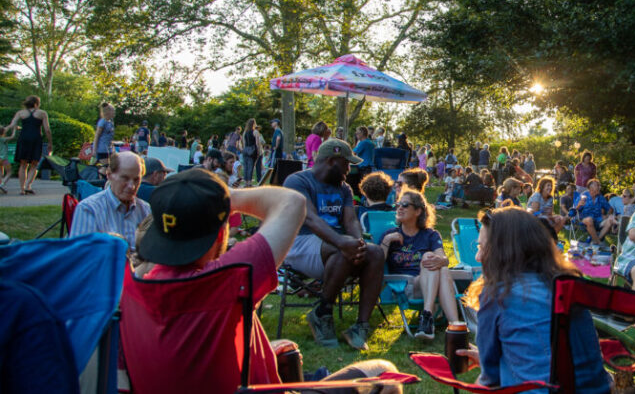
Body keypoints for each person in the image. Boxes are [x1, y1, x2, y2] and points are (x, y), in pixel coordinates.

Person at [126, 168, 402, 393]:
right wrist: (223, 195)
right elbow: (291, 203)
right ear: (221, 234)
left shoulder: (130, 291)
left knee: (281, 347)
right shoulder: (227, 279)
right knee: (385, 373)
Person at [455, 207, 610, 393]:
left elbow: (491, 378)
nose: (477, 256)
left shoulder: (498, 294)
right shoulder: (568, 286)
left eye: (482, 247)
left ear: (504, 251)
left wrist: (490, 363)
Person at [282, 139, 384, 350]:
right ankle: (323, 312)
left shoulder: (344, 188)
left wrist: (359, 243)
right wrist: (343, 242)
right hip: (300, 242)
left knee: (375, 253)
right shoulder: (297, 181)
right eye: (346, 163)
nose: (349, 169)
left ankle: (361, 326)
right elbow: (309, 218)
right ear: (330, 161)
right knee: (342, 249)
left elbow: (350, 221)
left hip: (335, 247)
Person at [379, 189, 460, 339]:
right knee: (431, 258)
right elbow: (377, 266)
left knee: (435, 262)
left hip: (429, 284)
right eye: (398, 204)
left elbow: (443, 259)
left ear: (418, 211)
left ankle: (431, 317)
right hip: (403, 288)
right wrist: (386, 241)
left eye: (405, 204)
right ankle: (455, 326)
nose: (399, 208)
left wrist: (441, 260)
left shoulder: (430, 234)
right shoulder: (389, 235)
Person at [70, 151, 151, 248]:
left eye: (136, 179)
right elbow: (82, 256)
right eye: (125, 178)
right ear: (109, 175)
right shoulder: (89, 209)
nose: (132, 186)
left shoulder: (146, 210)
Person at [3, 95, 53, 195]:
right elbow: (47, 130)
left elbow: (12, 125)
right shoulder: (42, 113)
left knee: (23, 164)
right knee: (35, 164)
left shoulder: (20, 113)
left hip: (23, 139)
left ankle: (22, 189)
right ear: (37, 103)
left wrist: (3, 131)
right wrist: (50, 143)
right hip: (36, 139)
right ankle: (28, 186)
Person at [575, 178, 615, 245]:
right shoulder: (583, 196)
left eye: (599, 185)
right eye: (597, 185)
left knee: (610, 220)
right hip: (584, 220)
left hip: (598, 220)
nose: (599, 187)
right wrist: (579, 205)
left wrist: (607, 215)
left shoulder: (600, 197)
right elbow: (575, 209)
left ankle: (595, 241)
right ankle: (599, 242)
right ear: (591, 188)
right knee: (589, 220)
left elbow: (610, 209)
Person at [241, 118, 262, 185]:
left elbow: (244, 143)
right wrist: (258, 151)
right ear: (254, 124)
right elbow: (257, 143)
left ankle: (245, 182)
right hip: (252, 150)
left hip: (245, 150)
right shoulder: (255, 132)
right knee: (251, 166)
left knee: (245, 166)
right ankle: (249, 182)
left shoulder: (245, 132)